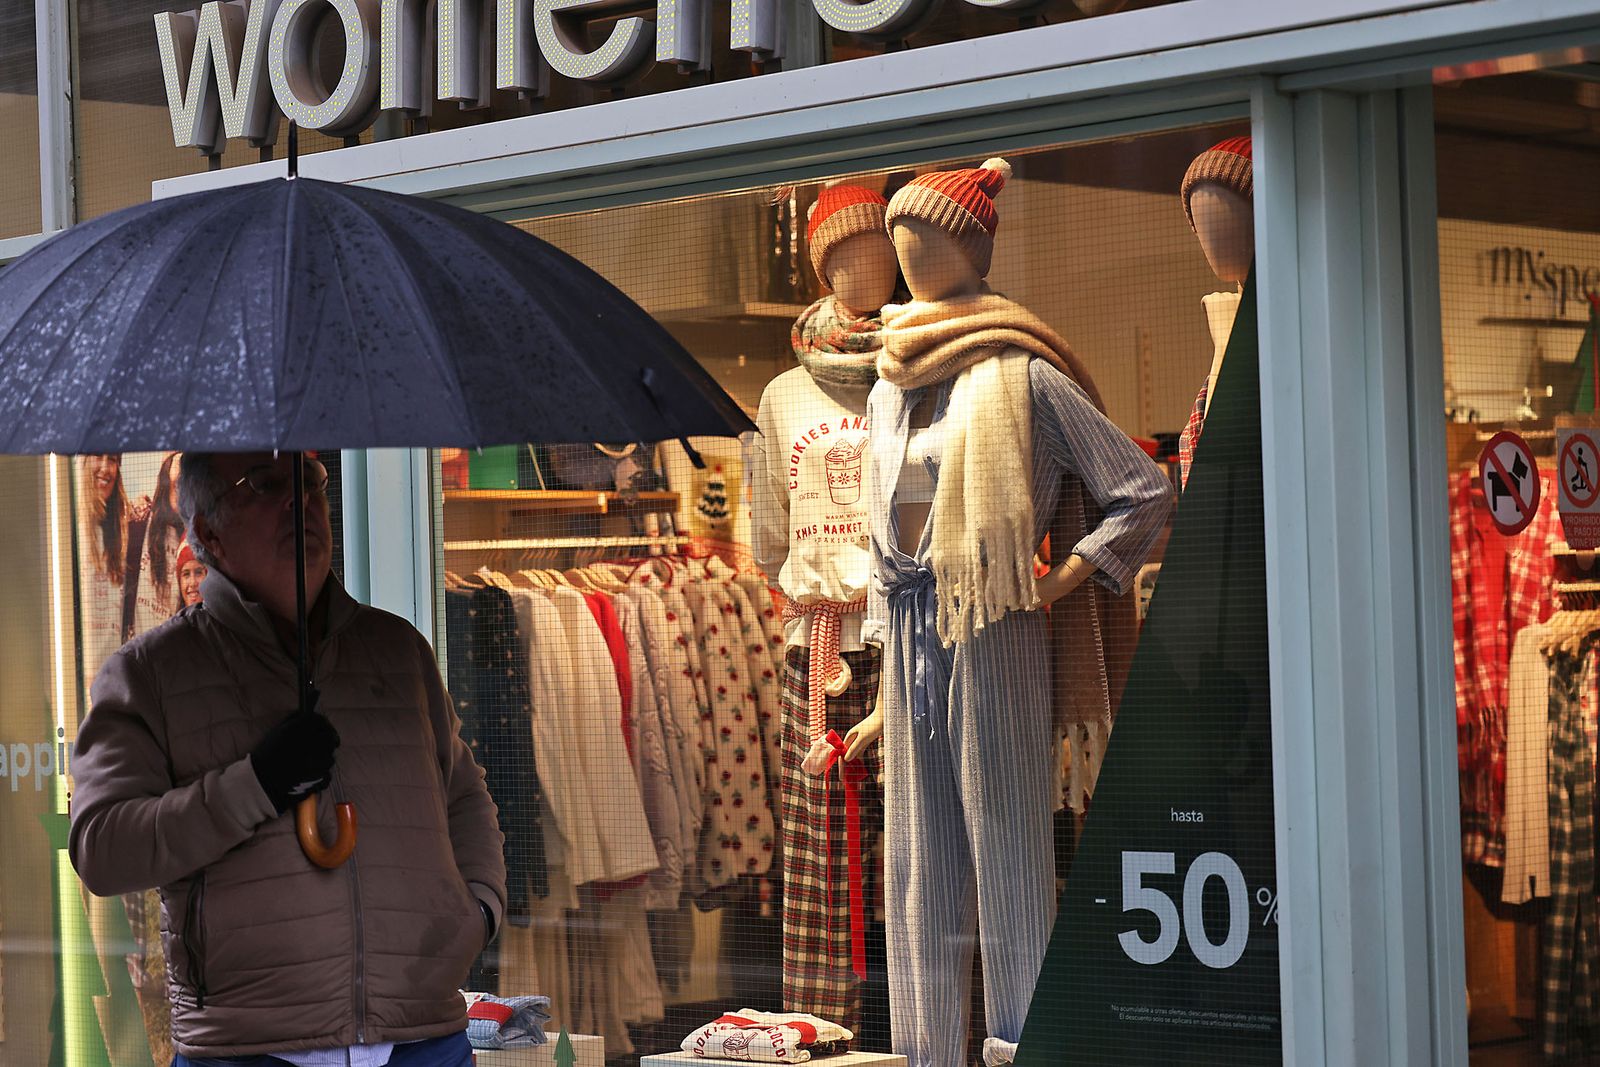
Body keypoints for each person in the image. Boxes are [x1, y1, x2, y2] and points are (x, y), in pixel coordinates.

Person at [68, 451, 507, 1067]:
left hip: (423, 1041)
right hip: (249, 1050)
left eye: (312, 485)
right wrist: (254, 785)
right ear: (209, 531)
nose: (301, 506)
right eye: (268, 485)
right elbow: (102, 848)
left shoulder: (396, 650)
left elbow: (462, 794)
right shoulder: (151, 676)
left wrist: (476, 912)